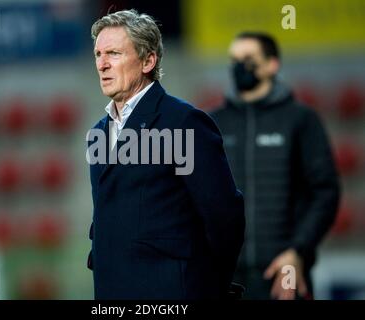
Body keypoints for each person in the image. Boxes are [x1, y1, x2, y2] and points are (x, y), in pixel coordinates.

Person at [86, 9, 245, 300]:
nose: (102, 64)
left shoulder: (183, 121)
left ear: (148, 60)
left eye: (114, 53)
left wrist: (210, 286)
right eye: (98, 54)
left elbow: (224, 215)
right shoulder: (98, 132)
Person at [210, 32, 340, 300]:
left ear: (272, 64)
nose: (238, 66)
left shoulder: (301, 120)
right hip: (223, 275)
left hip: (283, 272)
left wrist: (298, 251)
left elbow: (325, 193)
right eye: (234, 60)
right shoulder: (213, 123)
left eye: (248, 59)